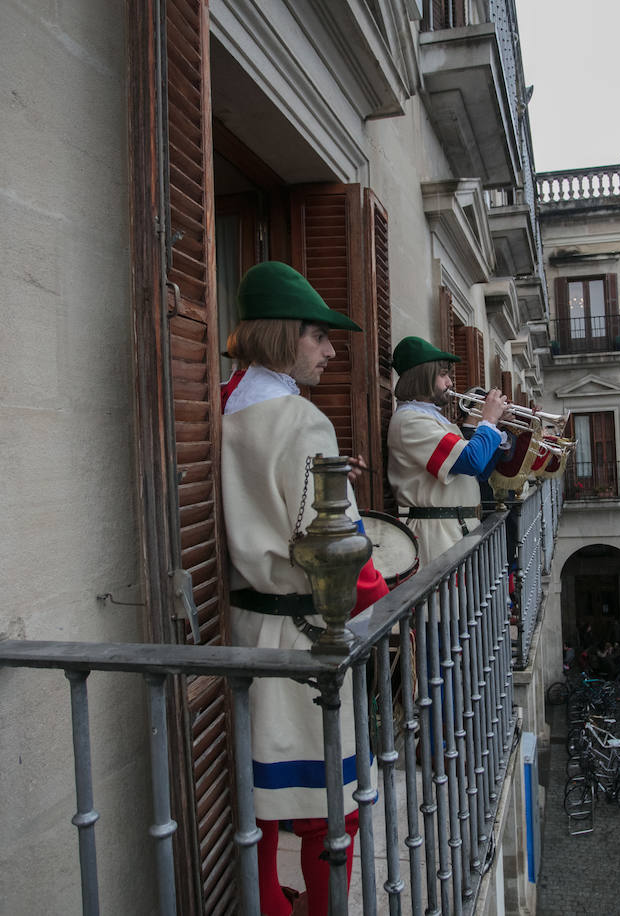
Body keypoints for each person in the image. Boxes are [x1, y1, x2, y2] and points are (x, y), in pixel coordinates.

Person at [220, 261, 390, 916]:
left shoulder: (223, 402)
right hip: (303, 634)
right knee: (330, 811)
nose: (330, 350)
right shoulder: (303, 419)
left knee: (255, 803)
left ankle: (267, 903)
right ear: (283, 334)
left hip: (242, 624)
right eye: (318, 336)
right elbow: (337, 557)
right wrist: (380, 597)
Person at [387, 336, 506, 565]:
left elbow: (480, 473)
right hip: (439, 535)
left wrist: (500, 428)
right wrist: (489, 421)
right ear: (423, 376)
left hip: (456, 528)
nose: (450, 383)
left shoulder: (431, 418)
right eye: (443, 375)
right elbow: (472, 461)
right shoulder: (410, 421)